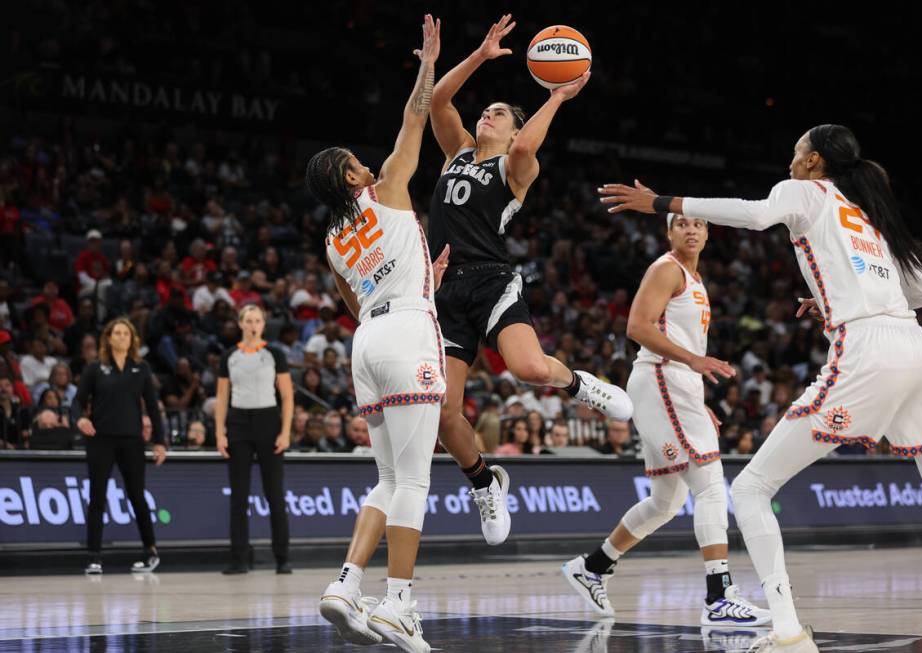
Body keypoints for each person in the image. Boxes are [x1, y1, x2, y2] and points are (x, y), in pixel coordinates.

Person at [599, 123, 922, 652]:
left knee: (752, 489)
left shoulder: (805, 191)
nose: (790, 158)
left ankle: (787, 632)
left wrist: (659, 200)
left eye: (796, 151)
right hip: (918, 350)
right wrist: (833, 301)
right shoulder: (868, 213)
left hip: (867, 350)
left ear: (814, 161)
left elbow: (754, 215)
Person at [427, 14, 632, 546]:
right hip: (444, 288)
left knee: (529, 368)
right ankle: (485, 482)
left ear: (517, 129)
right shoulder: (455, 153)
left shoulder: (519, 168)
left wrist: (559, 97)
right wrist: (478, 54)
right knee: (444, 411)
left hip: (492, 279)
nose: (486, 115)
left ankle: (580, 384)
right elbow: (439, 103)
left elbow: (523, 149)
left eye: (498, 114)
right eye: (487, 111)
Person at [561, 213, 769, 627]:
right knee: (710, 484)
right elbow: (637, 327)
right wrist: (692, 365)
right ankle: (719, 596)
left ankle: (593, 567)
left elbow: (683, 341)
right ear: (668, 232)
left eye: (698, 224)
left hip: (674, 386)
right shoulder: (665, 269)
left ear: (709, 233)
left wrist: (697, 395)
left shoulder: (695, 278)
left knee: (667, 501)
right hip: (660, 378)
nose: (691, 230)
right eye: (681, 224)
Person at [310, 16, 444, 652]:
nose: (367, 164)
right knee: (414, 482)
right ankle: (397, 604)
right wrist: (428, 65)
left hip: (367, 342)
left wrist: (422, 279)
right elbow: (413, 119)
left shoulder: (332, 240)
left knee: (388, 480)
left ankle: (345, 584)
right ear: (352, 178)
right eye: (355, 163)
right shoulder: (388, 185)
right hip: (407, 333)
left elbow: (358, 300)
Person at [70, 317, 167, 575]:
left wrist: (160, 441)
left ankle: (151, 552)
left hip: (132, 441)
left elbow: (153, 408)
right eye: (117, 333)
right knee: (97, 498)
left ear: (132, 339)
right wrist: (80, 418)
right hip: (101, 440)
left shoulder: (141, 368)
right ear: (109, 338)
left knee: (137, 496)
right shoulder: (95, 368)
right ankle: (94, 556)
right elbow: (77, 402)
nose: (122, 337)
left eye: (126, 333)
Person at [214, 304, 294, 575]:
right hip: (238, 423)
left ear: (263, 324)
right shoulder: (230, 356)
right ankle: (238, 558)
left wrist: (285, 431)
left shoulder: (274, 354)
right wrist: (219, 432)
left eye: (257, 320)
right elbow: (222, 397)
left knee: (274, 494)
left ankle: (282, 558)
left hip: (268, 421)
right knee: (239, 495)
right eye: (248, 320)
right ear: (240, 323)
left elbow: (287, 396)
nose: (253, 324)